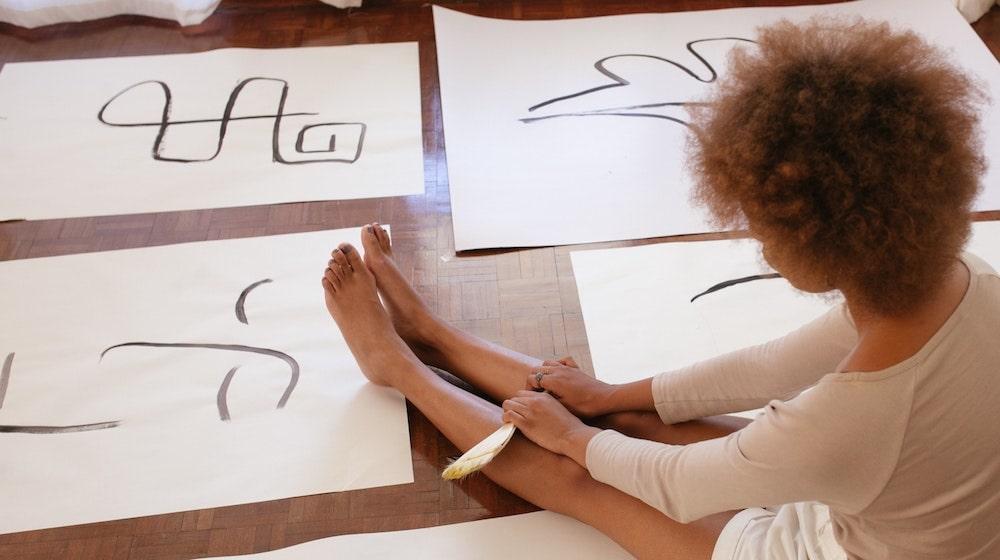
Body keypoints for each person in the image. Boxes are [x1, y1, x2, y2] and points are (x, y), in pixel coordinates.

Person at [320, 17, 999, 560]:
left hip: (840, 533)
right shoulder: (969, 282)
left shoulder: (848, 418)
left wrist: (569, 437)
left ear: (818, 238)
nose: (760, 244)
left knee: (582, 475)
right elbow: (771, 367)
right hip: (890, 501)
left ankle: (398, 367)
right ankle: (432, 334)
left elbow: (678, 487)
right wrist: (608, 396)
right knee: (629, 419)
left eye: (763, 229)